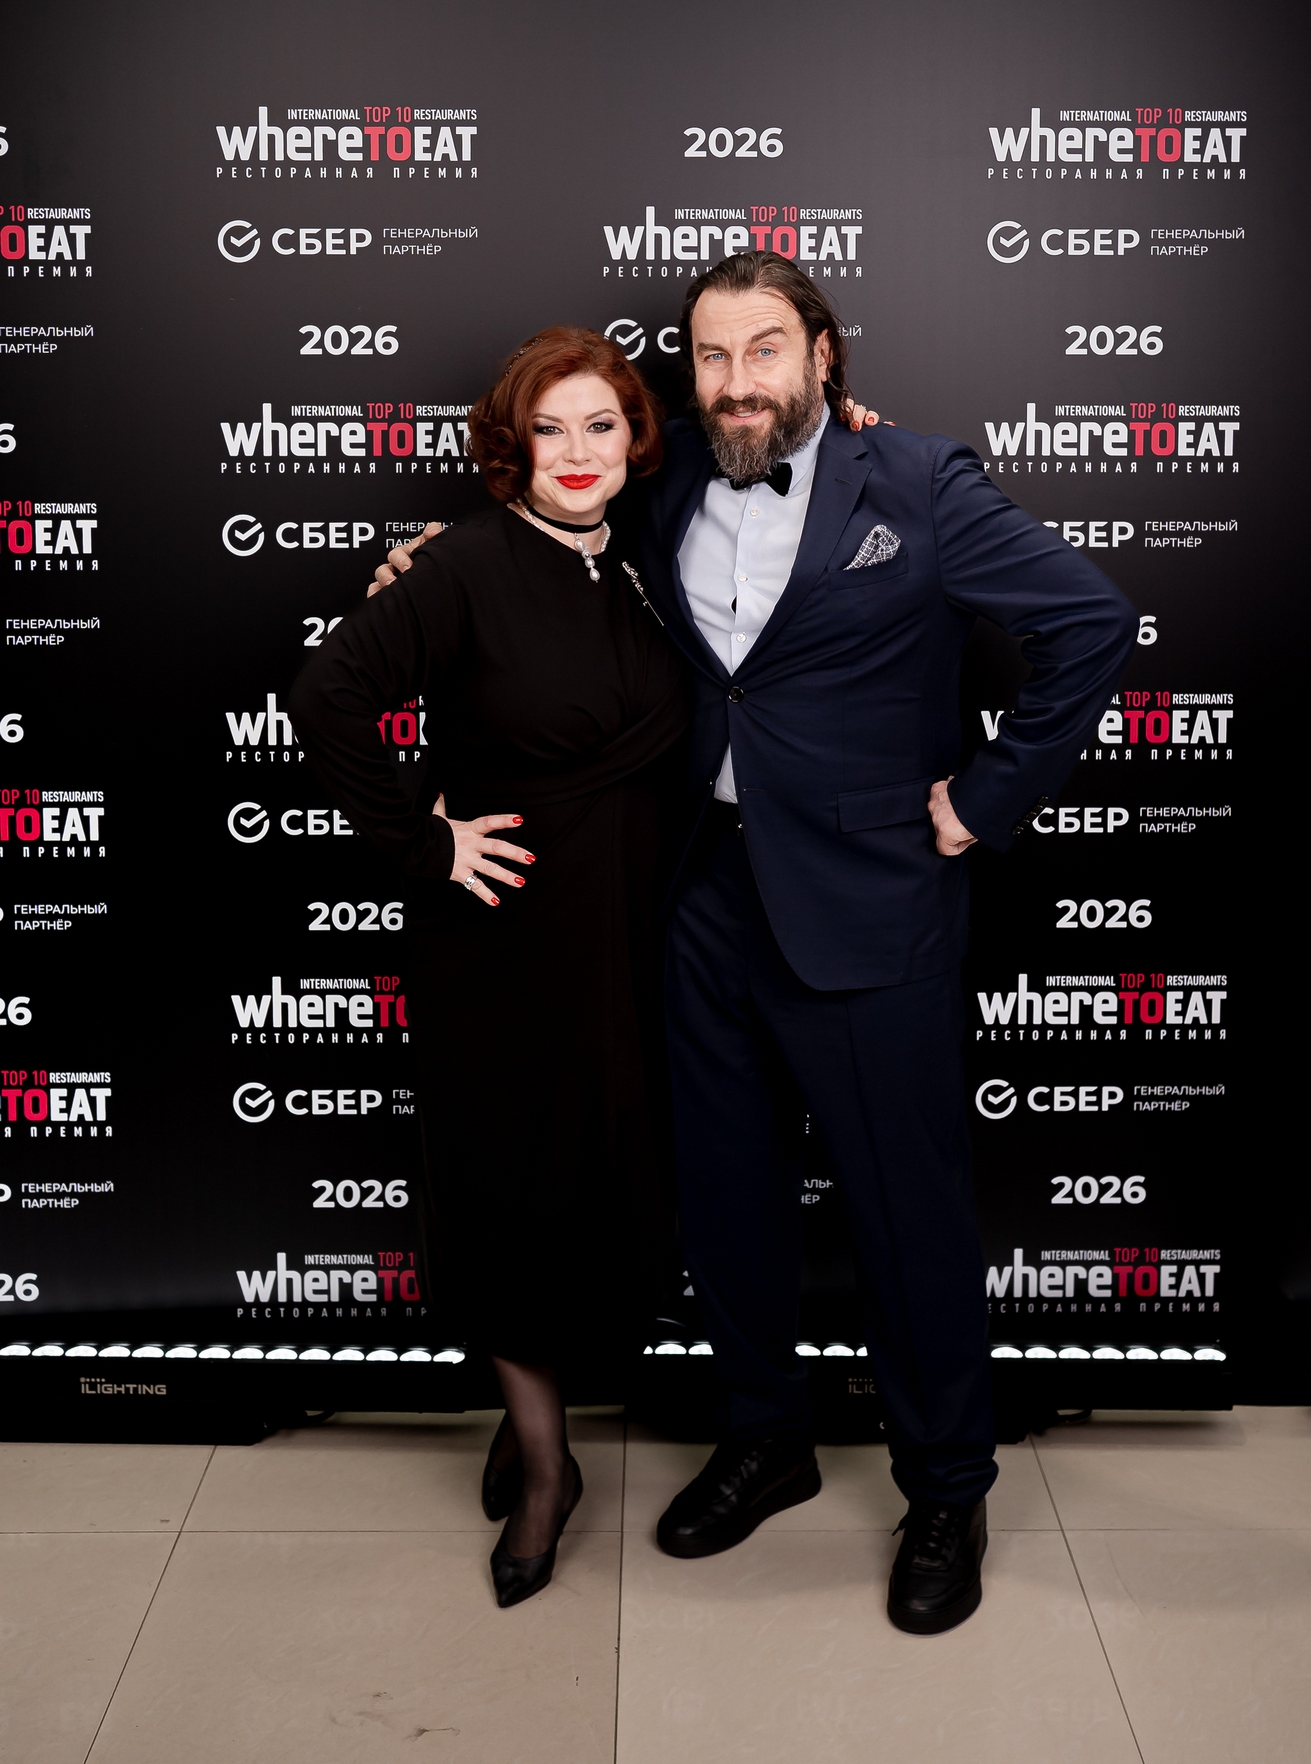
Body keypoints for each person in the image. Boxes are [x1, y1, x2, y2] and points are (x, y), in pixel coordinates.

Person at [375, 254, 1138, 1634]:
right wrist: (422, 566)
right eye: (713, 355)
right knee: (724, 1199)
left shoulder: (916, 481)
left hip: (871, 903)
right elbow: (541, 531)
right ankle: (765, 1434)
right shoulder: (663, 473)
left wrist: (986, 798)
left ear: (822, 357)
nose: (737, 382)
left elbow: (1091, 620)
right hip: (697, 894)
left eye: (766, 350)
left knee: (905, 1217)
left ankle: (947, 1486)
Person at [290, 327, 693, 1611]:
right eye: (548, 429)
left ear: (635, 441)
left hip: (632, 935)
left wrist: (848, 417)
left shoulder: (648, 557)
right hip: (506, 946)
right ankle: (544, 1468)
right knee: (514, 1189)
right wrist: (425, 841)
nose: (576, 453)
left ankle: (533, 1419)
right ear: (511, 446)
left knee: (599, 1184)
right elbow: (329, 694)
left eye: (600, 426)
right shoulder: (463, 563)